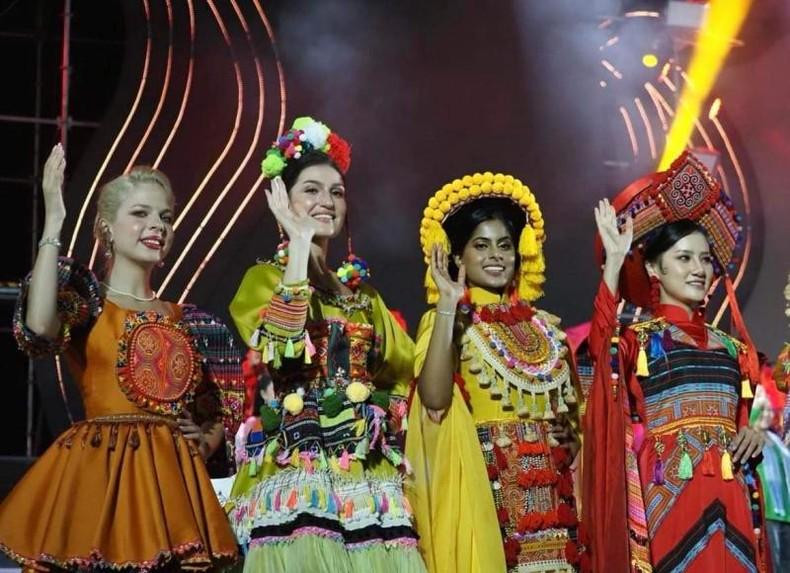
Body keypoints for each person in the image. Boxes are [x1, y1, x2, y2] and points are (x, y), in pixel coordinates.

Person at [0, 144, 244, 571]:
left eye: (165, 217)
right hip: (98, 477)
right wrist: (54, 218)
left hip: (170, 490)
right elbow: (39, 326)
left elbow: (222, 409)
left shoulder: (188, 320)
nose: (157, 225)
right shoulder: (87, 303)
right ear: (107, 227)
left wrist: (201, 441)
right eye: (141, 214)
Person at [225, 117, 425, 572]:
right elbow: (286, 347)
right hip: (300, 464)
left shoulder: (364, 298)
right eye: (311, 190)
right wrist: (298, 245)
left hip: (365, 474)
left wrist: (383, 423)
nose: (327, 201)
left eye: (336, 192)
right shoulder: (264, 280)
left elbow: (401, 373)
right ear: (283, 200)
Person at [584, 151, 769, 572]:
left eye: (705, 259)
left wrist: (755, 436)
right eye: (684, 258)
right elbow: (601, 357)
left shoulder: (732, 349)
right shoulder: (635, 341)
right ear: (654, 267)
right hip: (669, 502)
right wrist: (613, 265)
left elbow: (742, 424)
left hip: (733, 501)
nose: (699, 269)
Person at [405, 173, 586, 572]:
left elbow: (575, 423)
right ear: (458, 257)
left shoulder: (548, 327)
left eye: (505, 245)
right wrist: (449, 305)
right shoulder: (448, 323)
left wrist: (571, 441)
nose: (496, 256)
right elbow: (433, 401)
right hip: (489, 501)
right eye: (480, 246)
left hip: (556, 508)